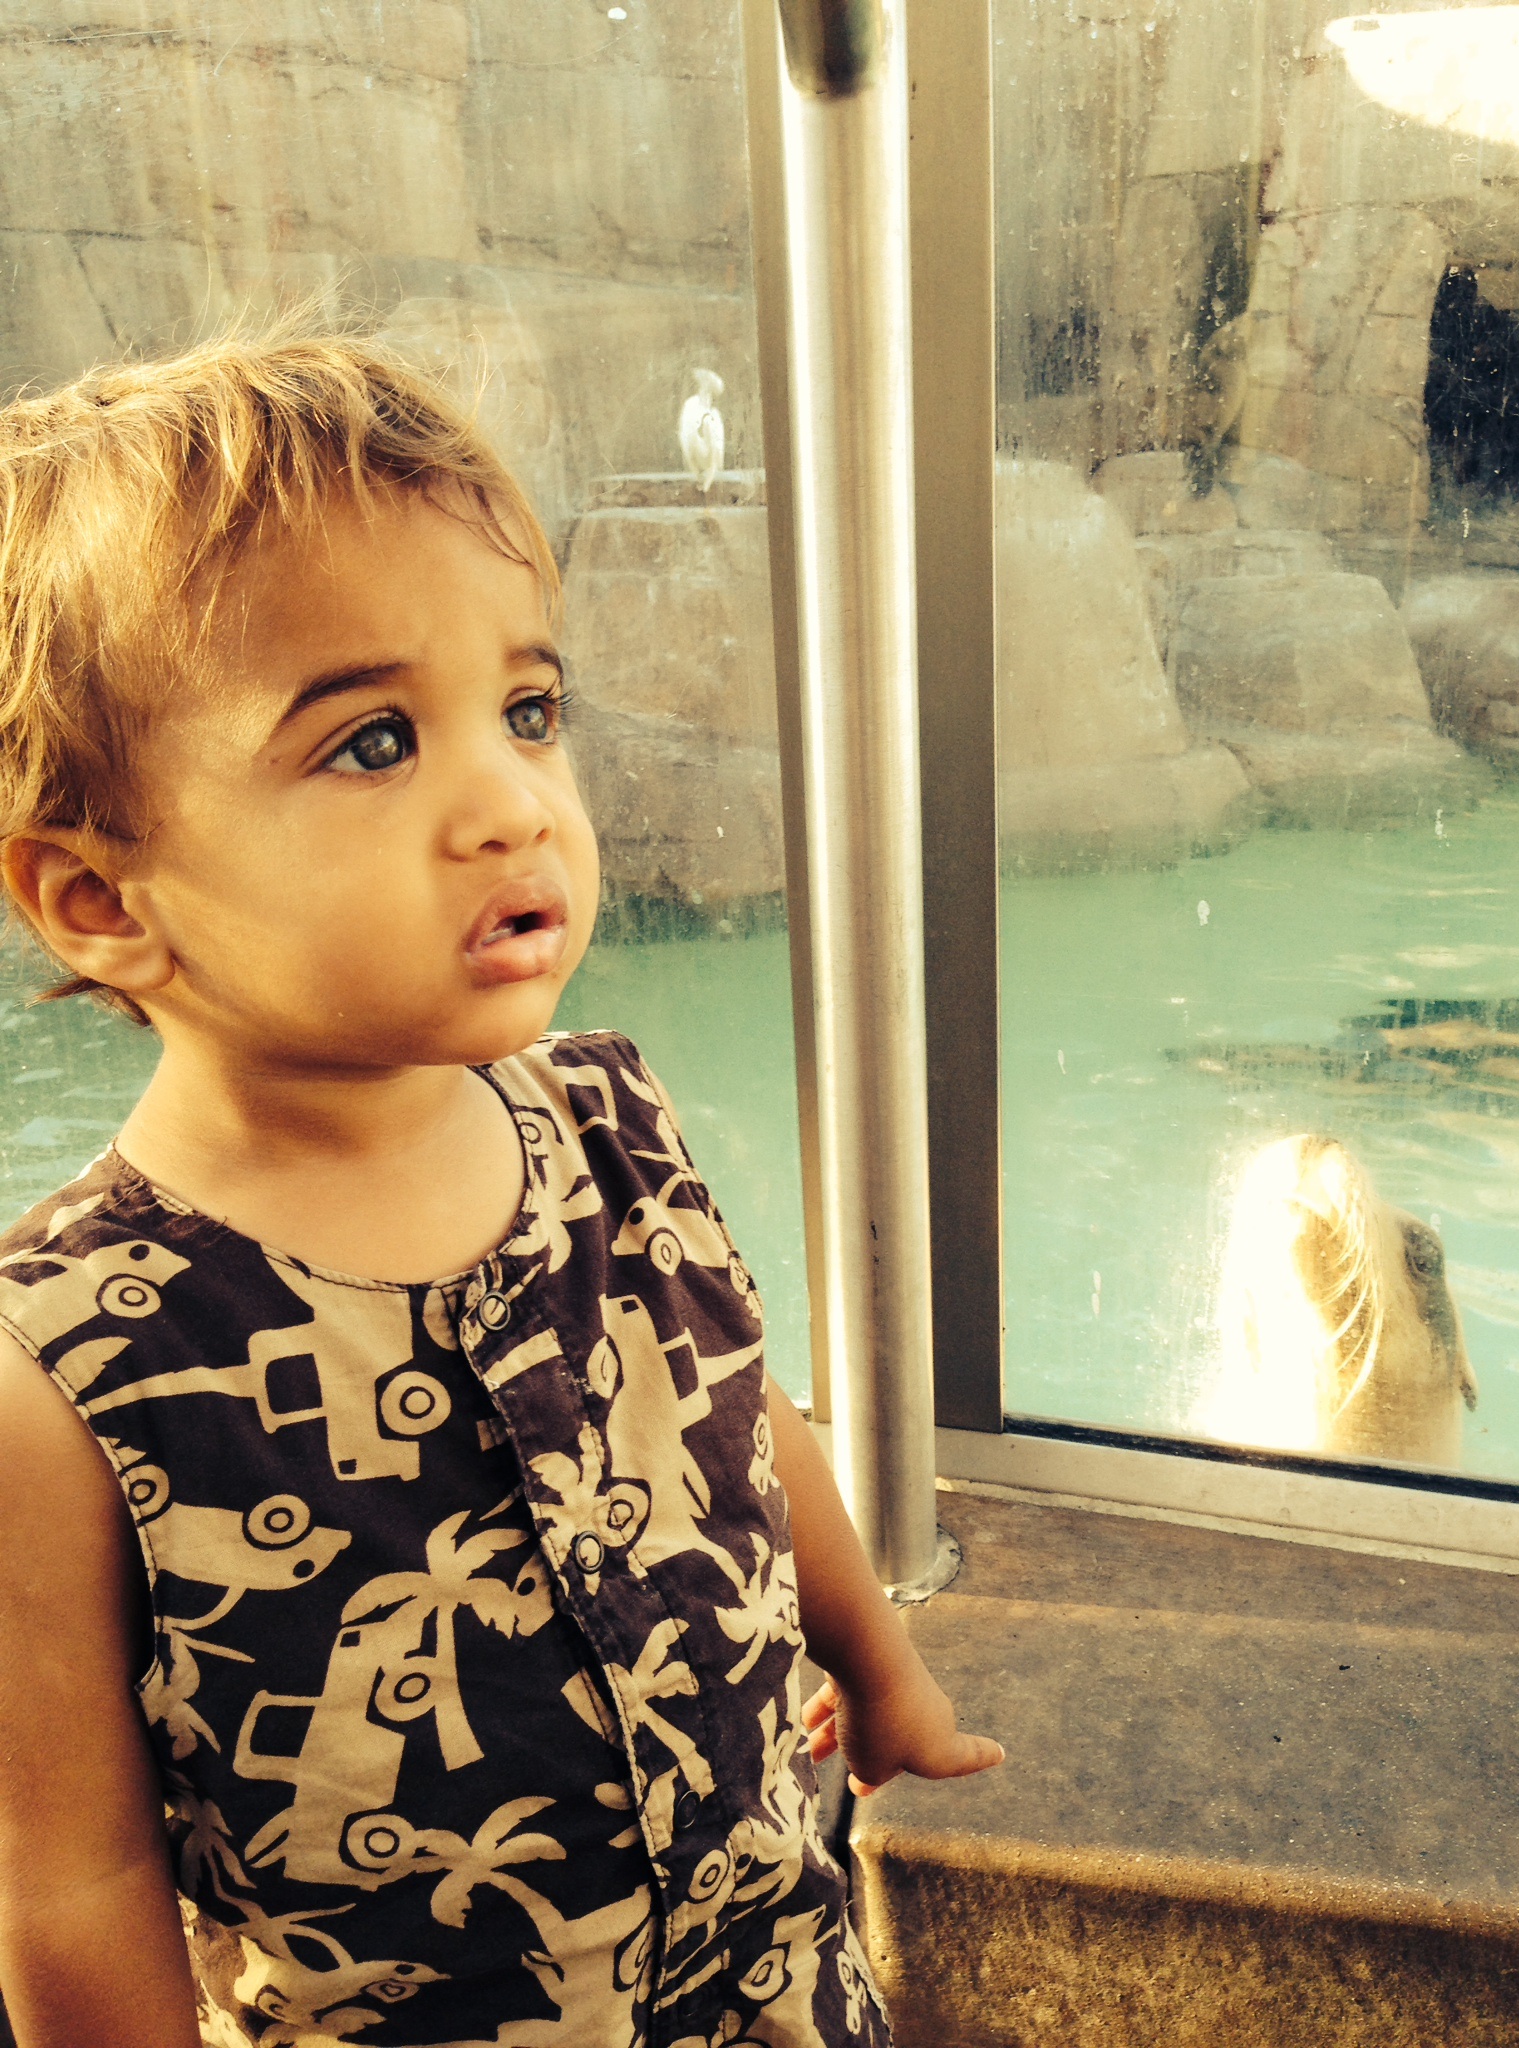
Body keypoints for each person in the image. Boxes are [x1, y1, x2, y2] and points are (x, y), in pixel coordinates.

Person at [0, 330, 1002, 2048]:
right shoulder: (72, 1367)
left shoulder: (608, 1121)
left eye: (530, 712)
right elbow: (73, 1885)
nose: (512, 805)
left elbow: (747, 1424)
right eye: (374, 742)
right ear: (102, 901)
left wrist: (879, 1666)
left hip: (789, 1996)